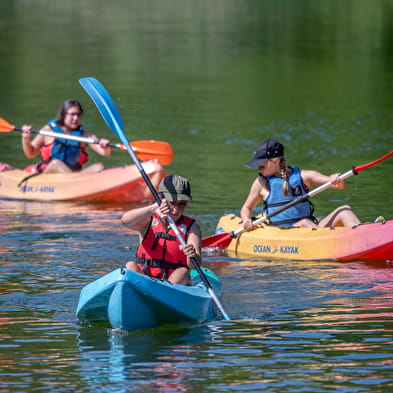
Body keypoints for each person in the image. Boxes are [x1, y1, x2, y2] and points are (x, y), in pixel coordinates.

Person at [240, 138, 361, 229]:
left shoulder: (304, 176)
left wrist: (335, 179)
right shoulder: (261, 183)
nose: (258, 170)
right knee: (305, 223)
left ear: (275, 161)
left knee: (344, 210)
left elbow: (340, 186)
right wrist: (246, 219)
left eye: (262, 166)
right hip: (286, 233)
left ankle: (363, 236)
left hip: (311, 228)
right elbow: (246, 208)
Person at [122, 175, 202, 285]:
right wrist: (152, 209)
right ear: (160, 198)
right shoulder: (148, 219)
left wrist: (192, 254)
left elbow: (195, 266)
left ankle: (165, 295)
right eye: (173, 202)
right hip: (144, 278)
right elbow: (125, 220)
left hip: (174, 282)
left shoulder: (192, 227)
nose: (177, 209)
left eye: (182, 204)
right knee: (130, 266)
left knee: (183, 272)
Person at [21, 99, 111, 173]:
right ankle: (76, 185)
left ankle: (79, 186)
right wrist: (26, 138)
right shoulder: (48, 130)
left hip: (74, 178)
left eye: (78, 115)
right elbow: (30, 153)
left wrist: (105, 146)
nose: (76, 118)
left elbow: (104, 153)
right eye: (72, 114)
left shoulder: (85, 136)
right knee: (56, 164)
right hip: (48, 176)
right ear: (64, 115)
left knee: (99, 167)